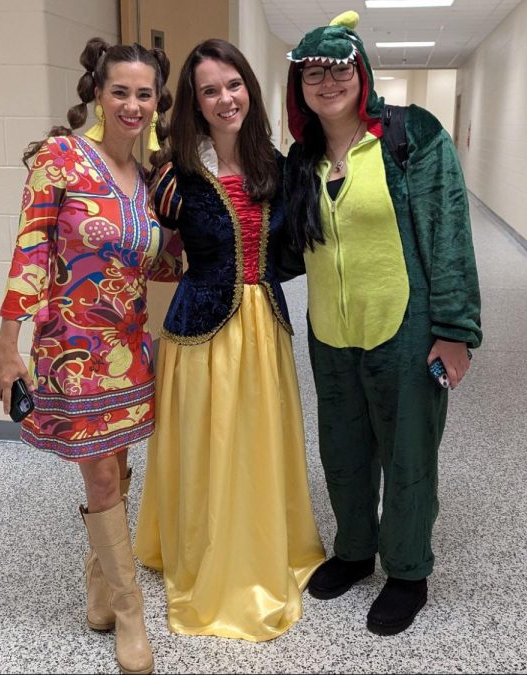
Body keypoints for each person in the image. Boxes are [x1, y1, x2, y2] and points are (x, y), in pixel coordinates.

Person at [281, 11, 483, 636]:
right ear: (299, 89)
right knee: (342, 447)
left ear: (361, 73)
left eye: (339, 69)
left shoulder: (411, 136)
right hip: (332, 330)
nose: (326, 82)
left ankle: (406, 570)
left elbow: (449, 230)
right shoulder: (301, 157)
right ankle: (353, 550)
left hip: (407, 323)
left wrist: (454, 328)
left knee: (408, 450)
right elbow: (289, 246)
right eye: (312, 73)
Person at [0, 37, 180, 675]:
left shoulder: (153, 177)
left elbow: (163, 263)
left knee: (119, 472)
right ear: (97, 94)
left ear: (157, 102)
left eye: (143, 94)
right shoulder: (61, 158)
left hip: (129, 344)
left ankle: (100, 595)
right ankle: (130, 616)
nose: (132, 104)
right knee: (100, 476)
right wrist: (7, 347)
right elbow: (30, 253)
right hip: (72, 348)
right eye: (119, 91)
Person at [134, 38, 325, 642]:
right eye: (209, 89)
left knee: (257, 441)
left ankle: (267, 542)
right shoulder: (173, 175)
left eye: (233, 83)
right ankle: (205, 551)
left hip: (264, 329)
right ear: (195, 101)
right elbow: (147, 249)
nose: (224, 98)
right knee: (208, 446)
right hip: (198, 335)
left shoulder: (278, 165)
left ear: (250, 87)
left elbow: (297, 247)